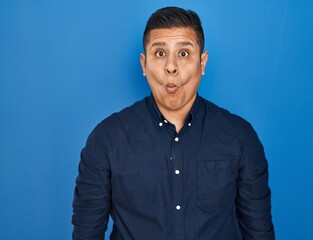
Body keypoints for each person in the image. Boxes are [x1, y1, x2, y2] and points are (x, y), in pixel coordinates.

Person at [72, 6, 275, 240]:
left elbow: (259, 233)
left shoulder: (240, 137)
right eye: (160, 53)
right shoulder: (106, 139)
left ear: (202, 62)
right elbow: (86, 233)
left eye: (183, 53)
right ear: (144, 64)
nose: (171, 67)